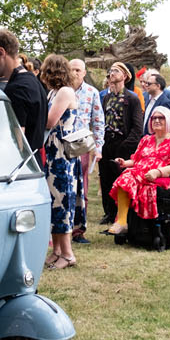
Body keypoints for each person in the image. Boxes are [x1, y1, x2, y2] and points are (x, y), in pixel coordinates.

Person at [105, 106, 170, 235]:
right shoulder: (146, 140)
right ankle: (122, 221)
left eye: (160, 118)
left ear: (168, 120)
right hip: (140, 174)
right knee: (126, 176)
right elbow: (137, 160)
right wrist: (124, 163)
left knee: (129, 178)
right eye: (153, 118)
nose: (156, 120)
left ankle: (124, 223)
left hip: (164, 178)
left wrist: (157, 172)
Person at [0, 29, 47, 155]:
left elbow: (17, 144)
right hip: (35, 163)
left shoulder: (16, 88)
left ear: (1, 52)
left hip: (22, 168)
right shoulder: (33, 80)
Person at [42, 55, 80, 269]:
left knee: (63, 200)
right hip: (51, 151)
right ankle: (56, 250)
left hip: (62, 154)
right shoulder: (53, 92)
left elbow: (50, 120)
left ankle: (68, 253)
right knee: (53, 200)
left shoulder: (66, 91)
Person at [98, 62, 145, 223]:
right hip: (107, 143)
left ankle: (122, 213)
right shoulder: (106, 97)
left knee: (120, 180)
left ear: (124, 76)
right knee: (105, 179)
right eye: (110, 71)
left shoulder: (132, 98)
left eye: (116, 71)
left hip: (123, 144)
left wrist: (125, 146)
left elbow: (138, 127)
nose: (111, 73)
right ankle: (109, 213)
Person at [68, 59, 105, 244]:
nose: (74, 73)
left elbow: (98, 122)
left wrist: (98, 148)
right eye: (71, 69)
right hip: (62, 144)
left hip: (82, 145)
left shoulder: (92, 92)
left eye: (78, 70)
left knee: (81, 188)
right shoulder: (61, 90)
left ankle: (78, 230)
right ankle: (61, 228)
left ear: (84, 72)